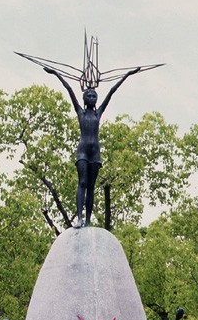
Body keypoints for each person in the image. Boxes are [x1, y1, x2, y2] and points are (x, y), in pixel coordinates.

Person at [43, 64, 144, 227]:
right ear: (84, 98)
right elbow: (68, 88)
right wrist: (55, 73)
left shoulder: (99, 112)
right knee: (82, 182)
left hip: (95, 153)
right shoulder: (80, 112)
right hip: (83, 151)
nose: (91, 96)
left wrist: (127, 74)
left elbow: (112, 91)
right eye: (88, 94)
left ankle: (88, 220)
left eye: (94, 95)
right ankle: (80, 218)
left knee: (91, 186)